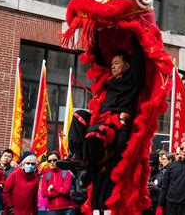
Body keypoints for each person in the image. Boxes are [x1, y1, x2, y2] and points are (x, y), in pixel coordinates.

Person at [57, 34, 145, 211]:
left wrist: (135, 33)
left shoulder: (133, 80)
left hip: (116, 123)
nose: (112, 66)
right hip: (100, 120)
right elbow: (99, 59)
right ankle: (78, 156)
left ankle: (89, 165)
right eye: (112, 63)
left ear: (127, 65)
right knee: (79, 116)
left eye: (117, 63)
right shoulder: (109, 81)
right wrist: (96, 34)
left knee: (96, 132)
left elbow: (138, 61)